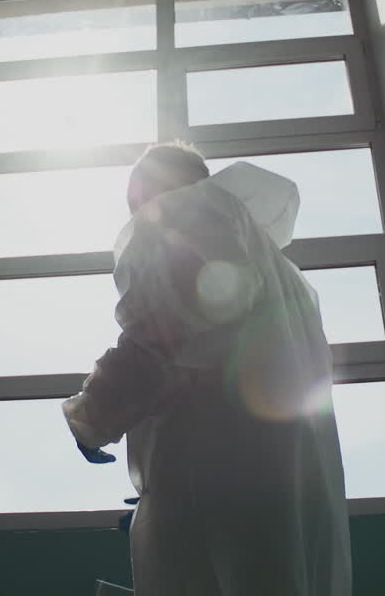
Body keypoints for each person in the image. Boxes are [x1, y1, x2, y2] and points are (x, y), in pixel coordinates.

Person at [62, 142, 352, 596]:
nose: (136, 209)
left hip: (221, 488)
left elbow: (162, 335)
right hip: (273, 486)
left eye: (139, 195)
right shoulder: (284, 276)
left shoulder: (186, 215)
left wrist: (90, 419)